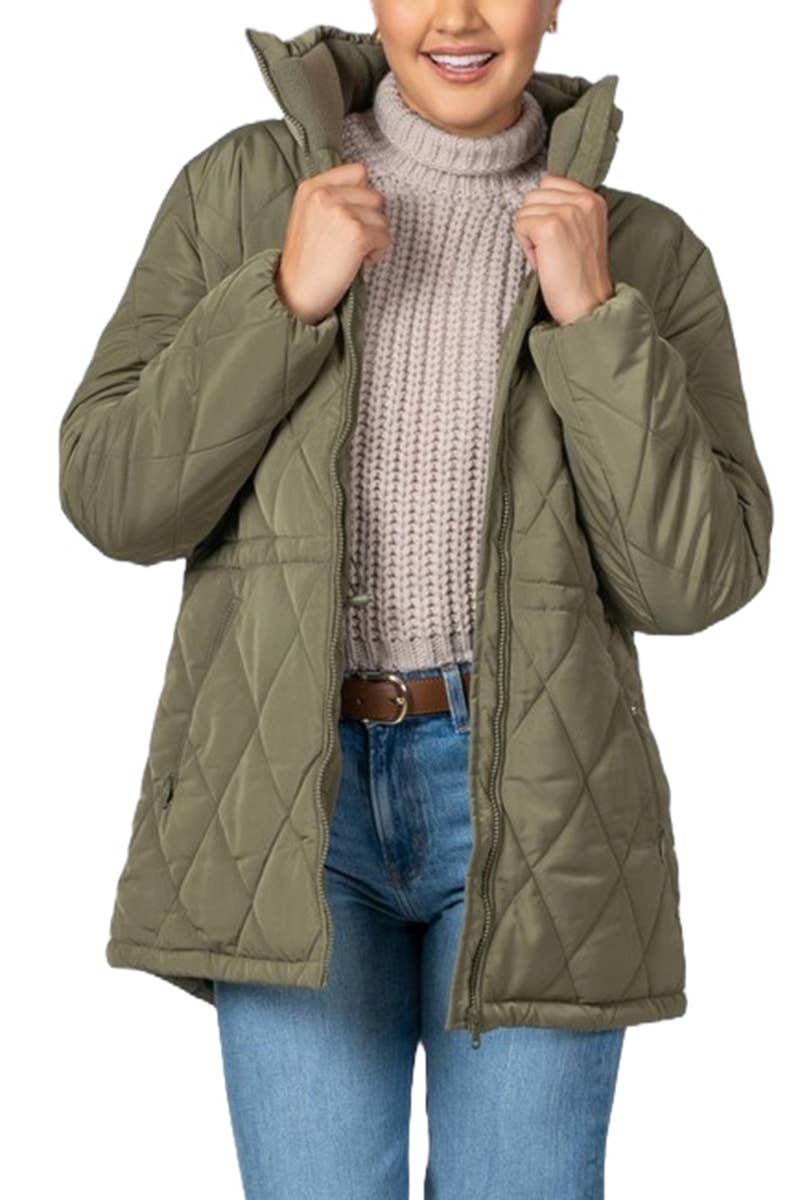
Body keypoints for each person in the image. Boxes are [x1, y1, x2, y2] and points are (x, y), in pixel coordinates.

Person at [57, 6, 773, 1199]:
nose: (455, 17)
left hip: (540, 801)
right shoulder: (240, 194)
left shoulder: (640, 249)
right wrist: (282, 300)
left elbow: (693, 579)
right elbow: (114, 500)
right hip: (286, 799)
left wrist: (595, 325)